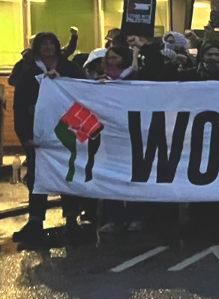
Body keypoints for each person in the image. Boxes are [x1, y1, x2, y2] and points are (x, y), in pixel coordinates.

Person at [9, 32, 87, 244]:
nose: (48, 48)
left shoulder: (69, 68)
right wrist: (24, 135)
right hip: (39, 133)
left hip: (66, 129)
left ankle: (71, 219)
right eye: (43, 44)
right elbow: (19, 106)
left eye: (51, 44)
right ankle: (35, 221)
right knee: (37, 177)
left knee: (68, 174)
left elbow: (86, 90)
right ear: (37, 48)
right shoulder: (28, 72)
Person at [95, 46, 149, 235]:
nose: (111, 61)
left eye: (115, 57)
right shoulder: (102, 80)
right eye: (109, 58)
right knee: (113, 176)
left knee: (135, 176)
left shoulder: (135, 80)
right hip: (111, 136)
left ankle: (136, 216)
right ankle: (113, 217)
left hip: (132, 134)